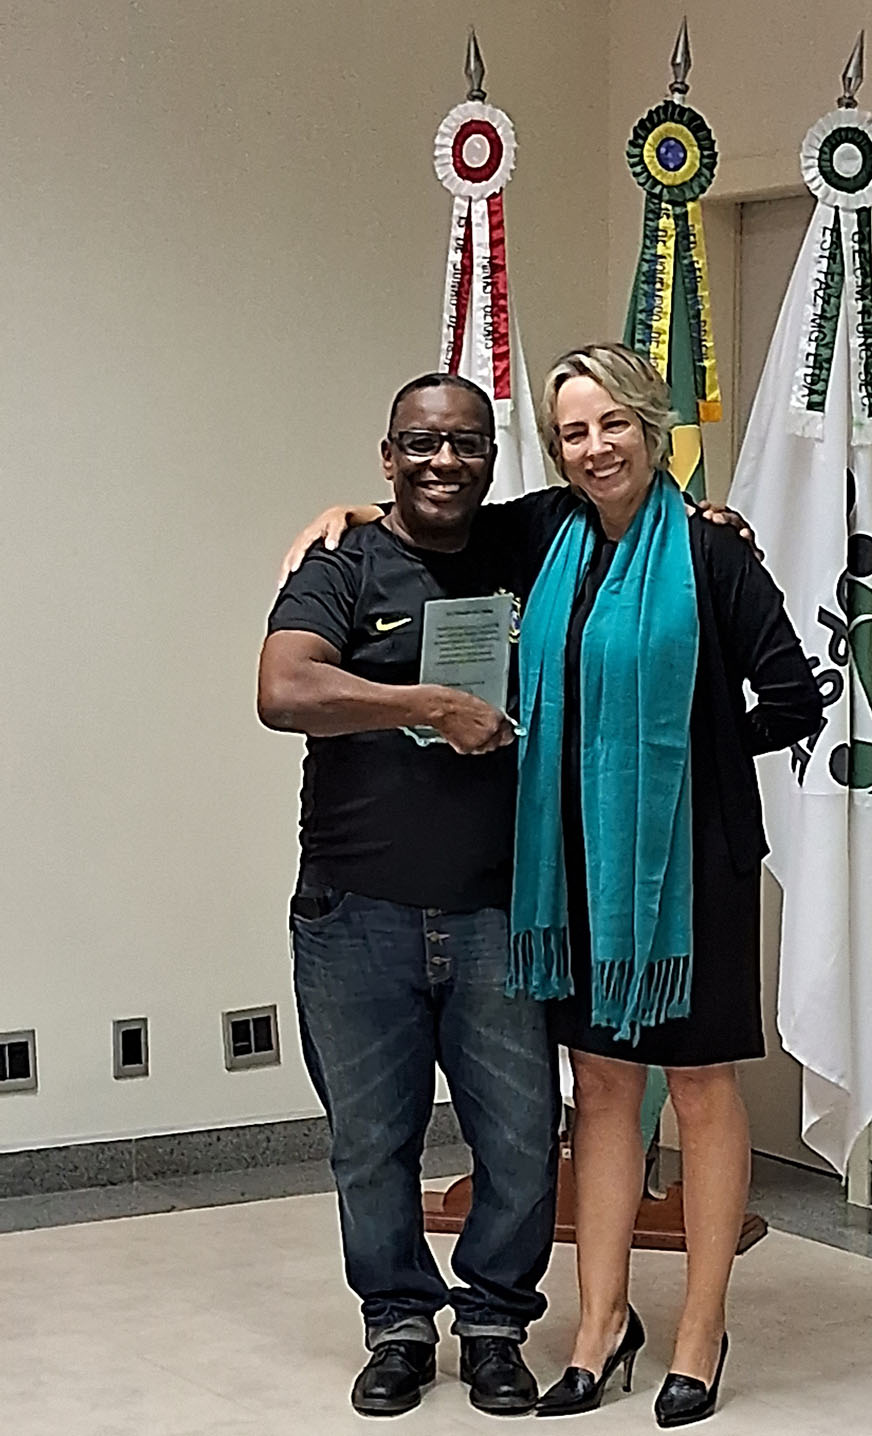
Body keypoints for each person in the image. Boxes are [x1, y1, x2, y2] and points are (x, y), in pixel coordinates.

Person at [286, 345, 821, 1428]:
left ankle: (699, 1331)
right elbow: (428, 515)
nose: (595, 447)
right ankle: (598, 1323)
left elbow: (792, 699)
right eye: (574, 431)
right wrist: (349, 510)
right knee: (602, 1089)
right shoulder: (547, 538)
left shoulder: (710, 553)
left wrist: (686, 770)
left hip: (692, 869)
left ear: (650, 427)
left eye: (613, 424)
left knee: (698, 1089)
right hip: (576, 866)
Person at [258, 373, 559, 1418]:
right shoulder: (340, 563)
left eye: (467, 444)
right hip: (354, 911)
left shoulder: (526, 542)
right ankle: (396, 1325)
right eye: (421, 444)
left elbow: (631, 493)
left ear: (491, 458)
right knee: (370, 1143)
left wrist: (718, 520)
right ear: (387, 456)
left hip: (499, 911)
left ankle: (495, 1327)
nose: (445, 461)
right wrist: (427, 703)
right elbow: (283, 689)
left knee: (519, 1139)